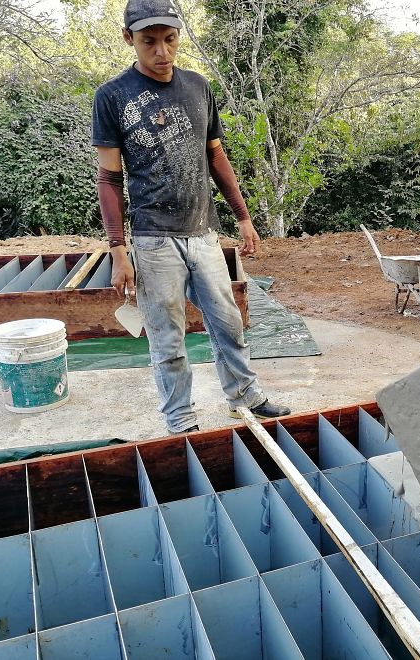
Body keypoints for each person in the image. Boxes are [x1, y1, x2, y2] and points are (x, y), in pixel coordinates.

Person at [91, 0, 290, 433]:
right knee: (168, 340)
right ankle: (181, 418)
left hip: (202, 234)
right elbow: (108, 178)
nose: (161, 51)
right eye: (149, 42)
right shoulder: (111, 96)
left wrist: (243, 217)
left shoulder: (199, 87)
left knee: (228, 322)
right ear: (129, 39)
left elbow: (215, 156)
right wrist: (117, 249)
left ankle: (245, 396)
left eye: (169, 40)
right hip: (152, 239)